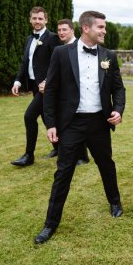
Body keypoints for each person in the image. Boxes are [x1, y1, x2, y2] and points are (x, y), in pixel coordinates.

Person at [34, 11, 126, 244]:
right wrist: (51, 124)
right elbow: (51, 91)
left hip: (99, 121)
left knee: (106, 164)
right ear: (86, 28)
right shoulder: (61, 53)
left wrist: (118, 110)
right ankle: (50, 224)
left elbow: (119, 88)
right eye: (101, 27)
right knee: (63, 172)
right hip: (71, 123)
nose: (104, 31)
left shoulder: (109, 56)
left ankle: (114, 202)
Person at [10, 7, 61, 166]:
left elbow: (57, 63)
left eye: (40, 18)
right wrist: (18, 81)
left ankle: (28, 156)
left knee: (29, 116)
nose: (37, 21)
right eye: (34, 18)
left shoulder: (52, 38)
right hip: (33, 86)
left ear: (46, 20)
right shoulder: (28, 39)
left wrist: (48, 81)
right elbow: (25, 62)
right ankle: (59, 148)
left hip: (46, 87)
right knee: (47, 117)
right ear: (30, 20)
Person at [39, 18, 90, 166]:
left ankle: (81, 155)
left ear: (72, 31)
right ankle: (59, 149)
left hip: (71, 92)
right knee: (33, 115)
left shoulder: (79, 47)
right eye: (59, 30)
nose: (61, 33)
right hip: (55, 91)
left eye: (64, 30)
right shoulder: (59, 49)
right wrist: (47, 82)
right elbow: (55, 70)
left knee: (74, 121)